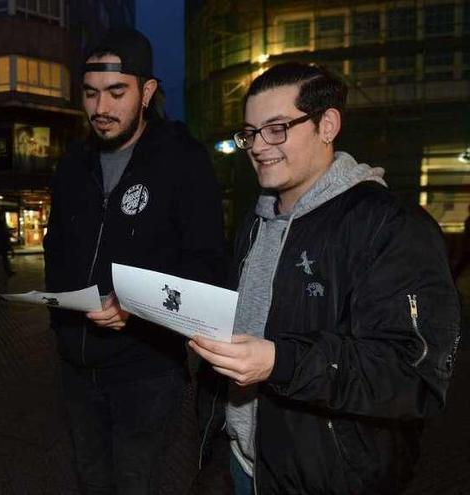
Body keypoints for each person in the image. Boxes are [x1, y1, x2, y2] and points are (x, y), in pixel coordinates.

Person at [191, 62, 462, 494]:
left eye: (277, 128)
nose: (259, 146)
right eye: (250, 132)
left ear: (327, 124)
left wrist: (281, 362)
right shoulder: (254, 220)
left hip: (329, 478)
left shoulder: (391, 226)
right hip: (242, 463)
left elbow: (412, 374)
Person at [43, 28, 227, 494]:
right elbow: (56, 247)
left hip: (146, 369)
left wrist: (135, 305)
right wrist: (61, 319)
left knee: (134, 483)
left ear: (146, 92)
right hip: (75, 370)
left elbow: (207, 265)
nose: (101, 108)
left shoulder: (184, 161)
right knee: (91, 482)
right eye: (90, 94)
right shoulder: (72, 163)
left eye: (116, 92)